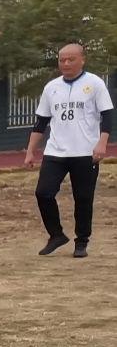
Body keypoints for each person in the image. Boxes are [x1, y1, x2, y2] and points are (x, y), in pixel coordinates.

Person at [25, 42, 111, 258]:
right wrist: (30, 151)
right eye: (62, 60)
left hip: (85, 152)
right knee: (43, 193)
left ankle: (81, 241)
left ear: (82, 60)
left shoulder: (95, 83)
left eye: (71, 59)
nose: (65, 64)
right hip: (56, 152)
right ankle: (56, 235)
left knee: (83, 198)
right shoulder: (51, 87)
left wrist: (102, 143)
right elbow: (41, 122)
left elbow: (107, 116)